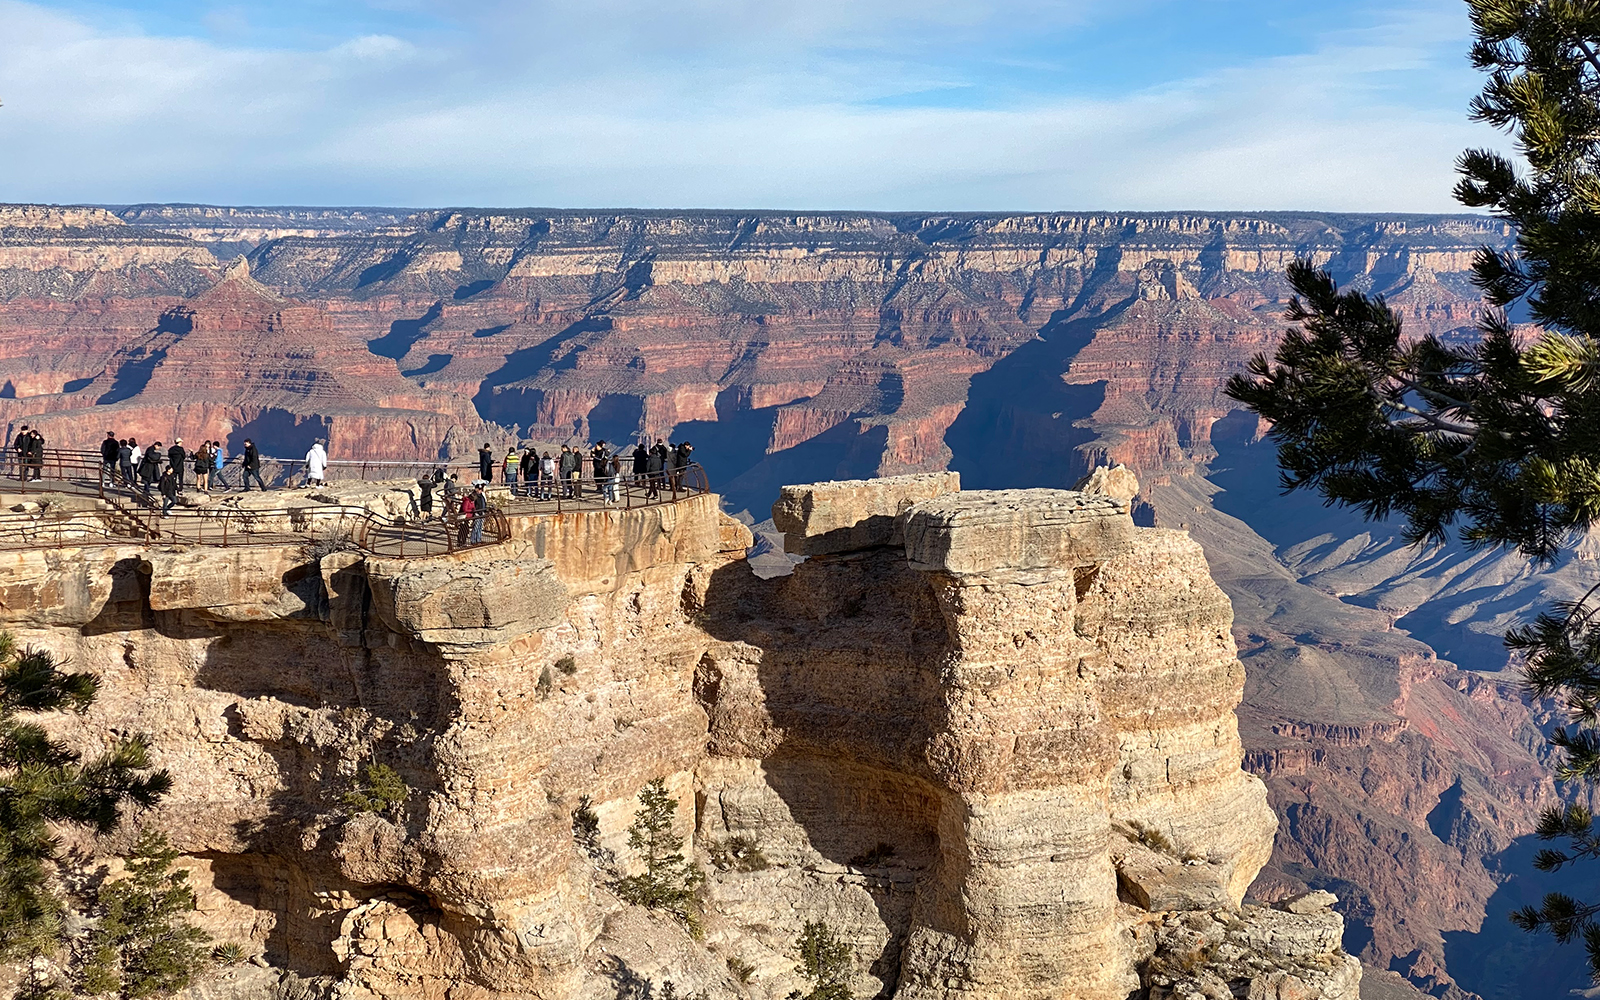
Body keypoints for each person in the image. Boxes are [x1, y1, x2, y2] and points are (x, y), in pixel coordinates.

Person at [456, 484, 477, 548]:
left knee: (465, 530)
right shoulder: (467, 501)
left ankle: (463, 542)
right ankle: (460, 542)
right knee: (463, 530)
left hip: (468, 517)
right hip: (464, 517)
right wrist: (471, 510)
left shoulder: (471, 502)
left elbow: (473, 507)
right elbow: (465, 509)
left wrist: (473, 510)